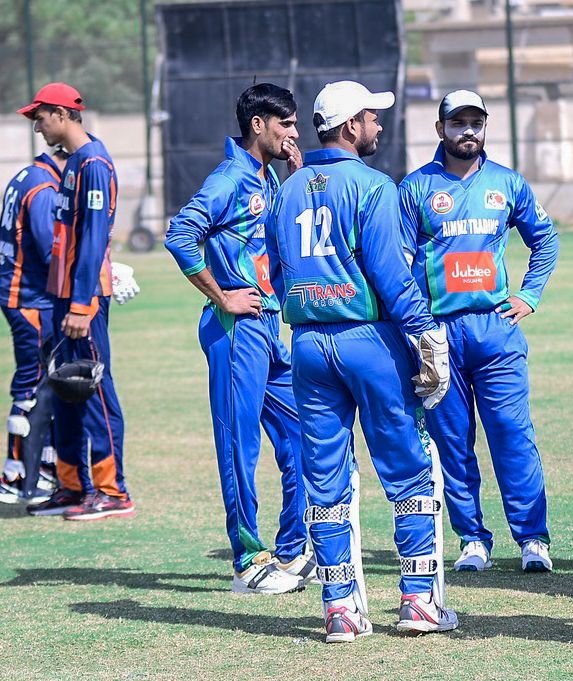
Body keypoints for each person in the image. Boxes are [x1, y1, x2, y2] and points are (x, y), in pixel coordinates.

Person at [266, 80, 458, 642]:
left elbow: (276, 271)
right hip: (368, 340)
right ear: (351, 125)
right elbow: (392, 274)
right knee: (408, 468)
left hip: (307, 345)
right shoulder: (374, 185)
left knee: (325, 477)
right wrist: (425, 336)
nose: (379, 125)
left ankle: (340, 610)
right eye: (372, 117)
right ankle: (418, 602)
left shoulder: (286, 190)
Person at [398, 90, 559, 573]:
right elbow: (398, 263)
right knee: (453, 441)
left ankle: (533, 539)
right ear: (440, 129)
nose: (468, 131)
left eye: (476, 122)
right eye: (458, 122)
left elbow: (545, 239)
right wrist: (415, 328)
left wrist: (529, 295)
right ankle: (472, 539)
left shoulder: (508, 183)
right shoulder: (416, 188)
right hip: (439, 334)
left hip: (496, 331)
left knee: (513, 435)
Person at [165, 83, 312, 594]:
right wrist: (222, 296)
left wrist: (294, 177)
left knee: (301, 436)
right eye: (286, 123)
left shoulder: (268, 177)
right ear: (258, 125)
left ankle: (290, 551)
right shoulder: (229, 178)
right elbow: (180, 234)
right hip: (235, 329)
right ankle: (248, 562)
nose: (294, 133)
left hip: (269, 327)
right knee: (239, 447)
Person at [18, 82, 135, 521]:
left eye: (40, 118)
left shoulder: (94, 163)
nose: (37, 127)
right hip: (62, 298)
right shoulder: (74, 163)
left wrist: (82, 305)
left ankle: (112, 491)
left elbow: (91, 240)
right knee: (65, 389)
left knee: (95, 390)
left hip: (82, 302)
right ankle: (71, 486)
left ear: (62, 114)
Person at [0, 146, 69, 503]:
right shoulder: (43, 187)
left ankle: (41, 466)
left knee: (44, 380)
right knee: (32, 382)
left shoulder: (25, 175)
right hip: (30, 298)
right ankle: (14, 475)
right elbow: (50, 252)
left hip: (21, 294)